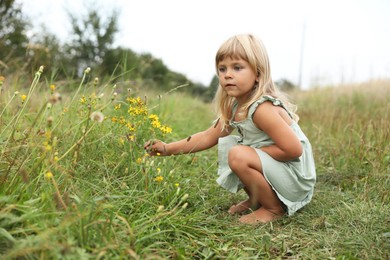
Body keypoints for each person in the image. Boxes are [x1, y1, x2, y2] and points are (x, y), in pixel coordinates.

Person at [144, 34, 316, 224]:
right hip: (280, 170)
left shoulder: (262, 109)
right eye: (222, 69)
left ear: (258, 73)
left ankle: (273, 208)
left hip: (296, 178)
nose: (227, 74)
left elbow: (293, 150)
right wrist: (168, 149)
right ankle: (258, 199)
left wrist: (252, 154)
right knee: (238, 151)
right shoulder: (235, 107)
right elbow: (208, 136)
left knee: (239, 154)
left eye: (237, 67)